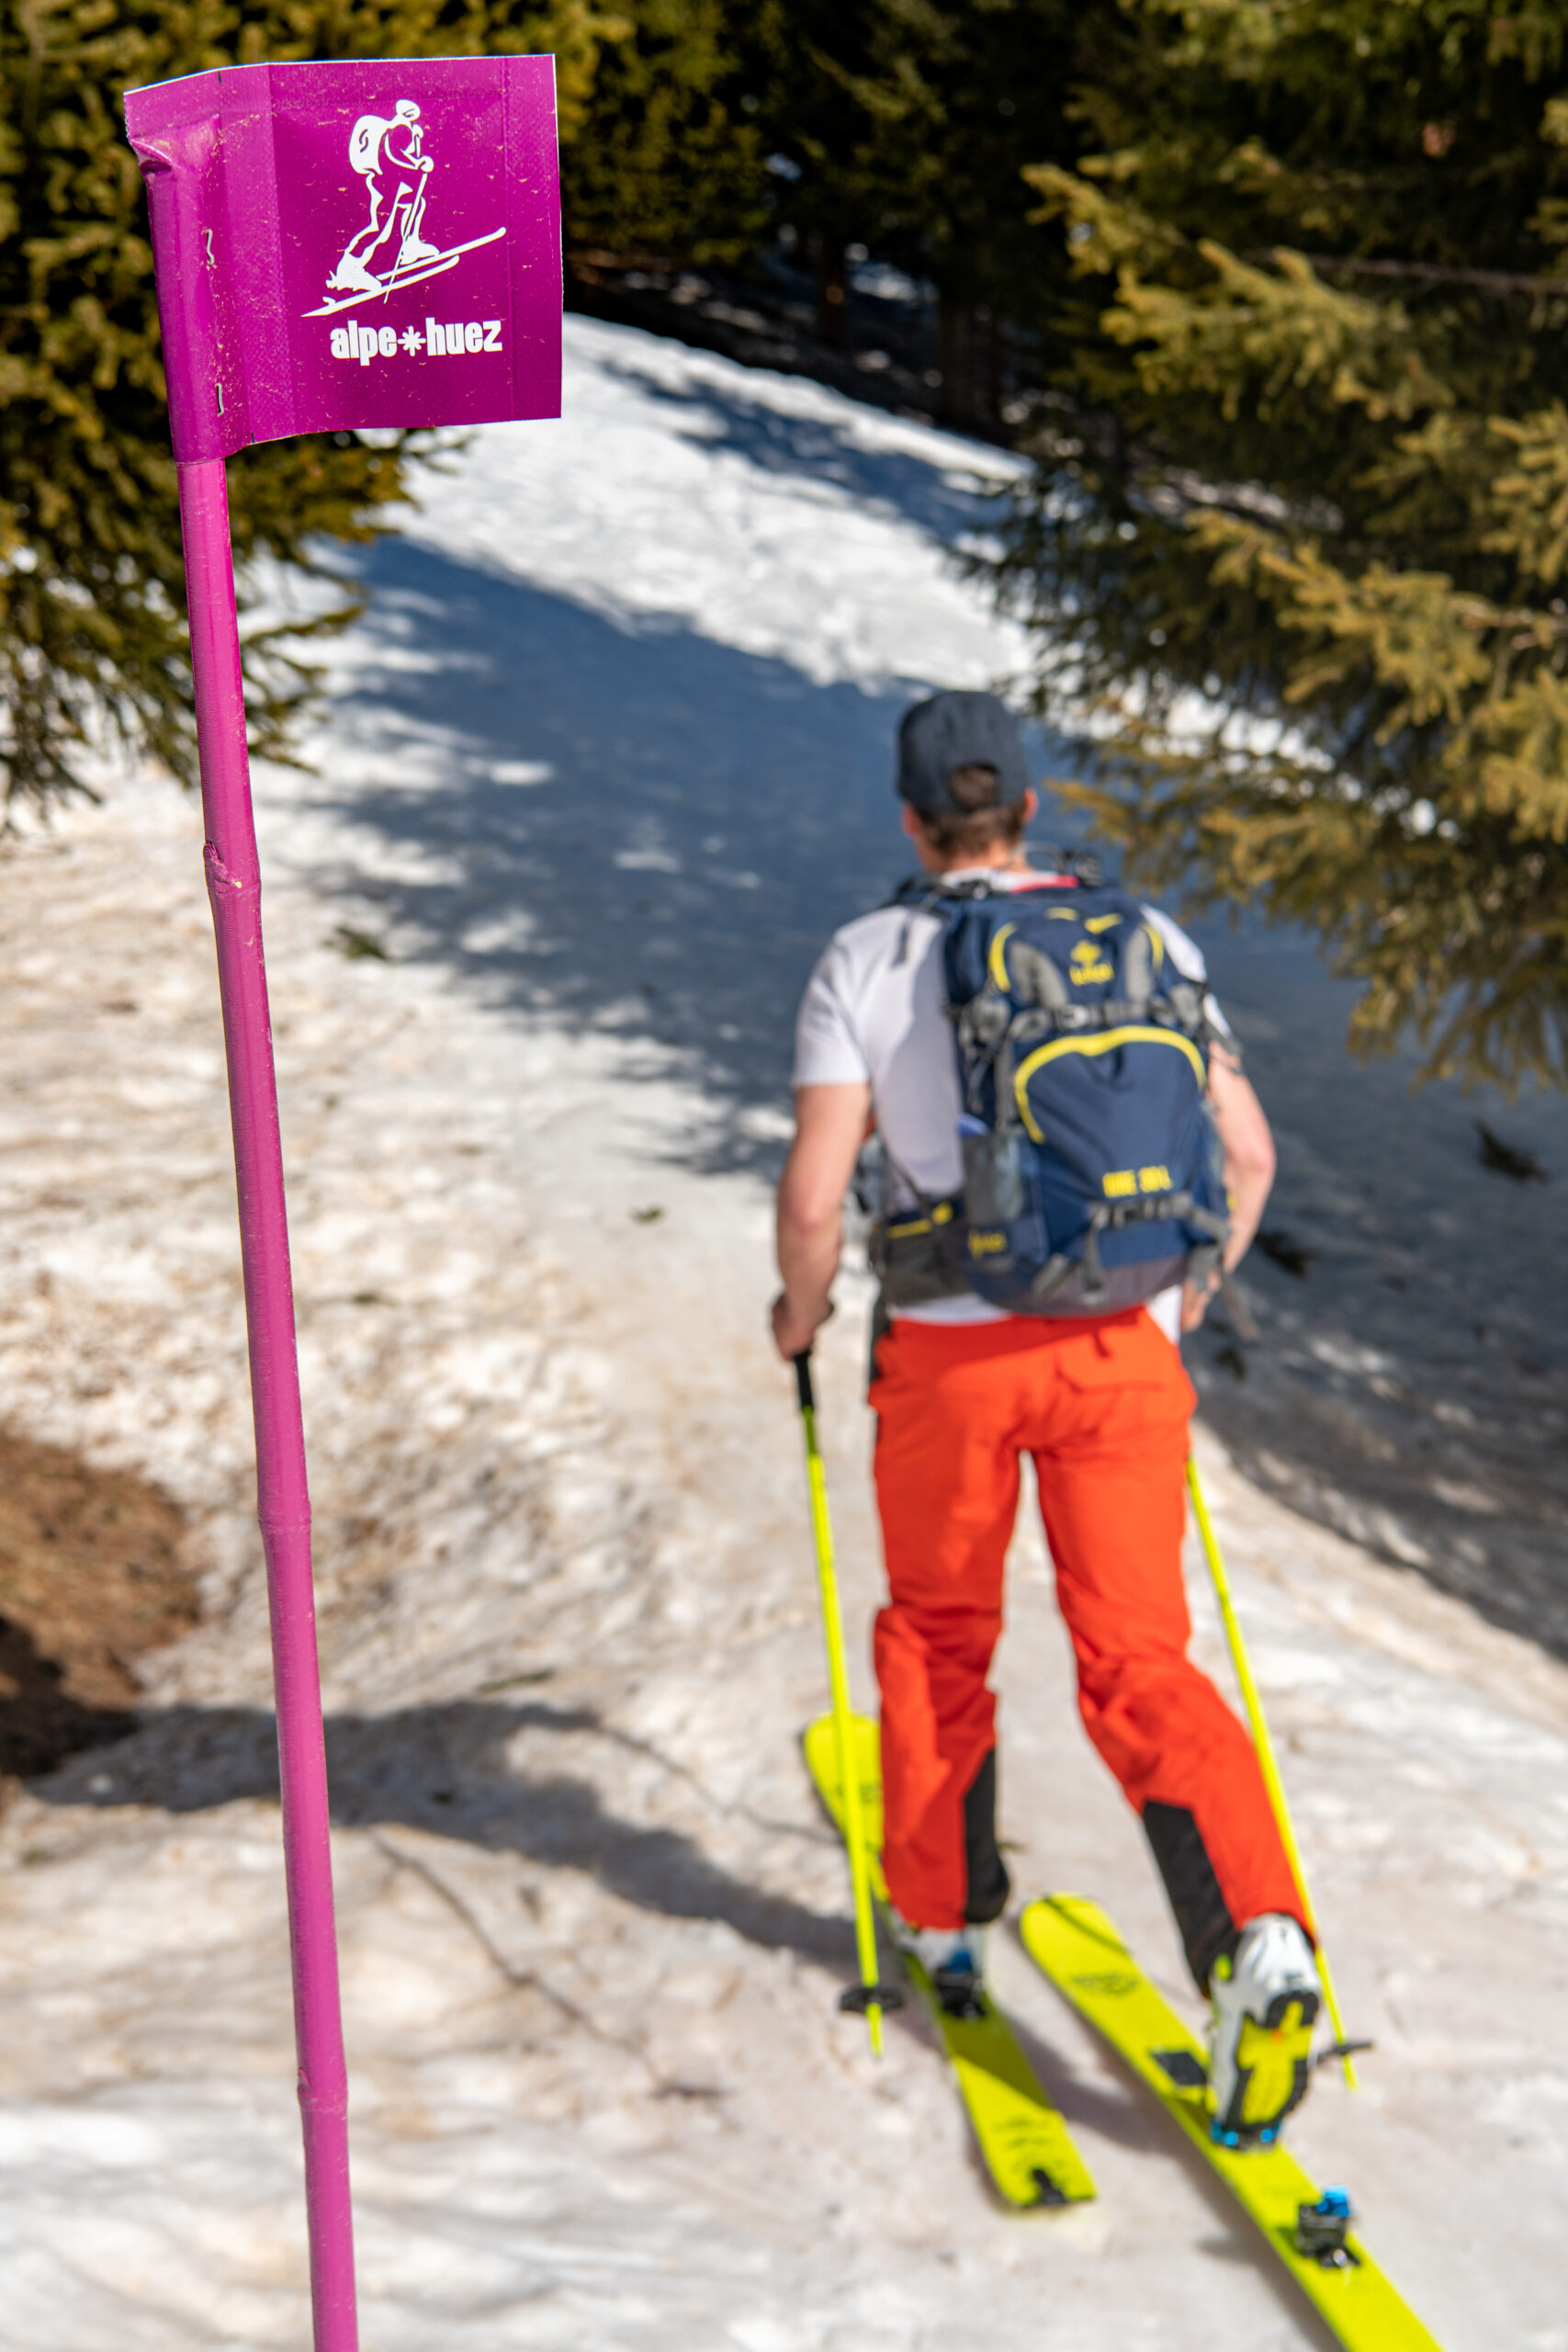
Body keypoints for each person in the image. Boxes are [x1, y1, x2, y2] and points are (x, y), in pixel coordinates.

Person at [772, 689, 1323, 2144]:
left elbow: (819, 1196)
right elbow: (1246, 1155)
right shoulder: (1148, 942)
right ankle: (1258, 1942)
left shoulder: (869, 958)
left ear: (910, 819)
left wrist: (796, 1312)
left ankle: (944, 1926)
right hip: (1120, 1354)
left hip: (949, 1364)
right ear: (1027, 808)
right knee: (1142, 1660)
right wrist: (1179, 1301)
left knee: (939, 1634)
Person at [329, 99, 439, 298]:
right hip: (390, 186)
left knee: (417, 204)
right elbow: (394, 153)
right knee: (380, 230)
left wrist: (416, 138)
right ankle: (348, 269)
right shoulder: (399, 129)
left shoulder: (404, 129)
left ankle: (410, 246)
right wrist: (418, 163)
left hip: (395, 185)